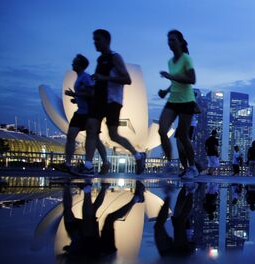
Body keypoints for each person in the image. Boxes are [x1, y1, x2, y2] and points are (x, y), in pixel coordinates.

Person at [79, 29, 146, 176]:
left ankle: (138, 156)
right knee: (91, 129)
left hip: (112, 101)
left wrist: (104, 78)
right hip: (98, 100)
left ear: (107, 41)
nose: (95, 42)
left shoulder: (115, 58)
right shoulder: (99, 60)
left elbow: (127, 79)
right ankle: (88, 166)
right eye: (94, 39)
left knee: (113, 135)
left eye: (98, 39)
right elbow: (100, 81)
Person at [59, 54, 110, 175]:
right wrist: (76, 100)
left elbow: (92, 94)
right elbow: (86, 95)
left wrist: (75, 95)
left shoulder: (86, 78)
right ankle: (68, 163)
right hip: (80, 112)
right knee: (71, 135)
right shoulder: (79, 78)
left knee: (95, 140)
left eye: (75, 62)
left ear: (80, 65)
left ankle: (101, 163)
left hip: (90, 113)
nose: (72, 64)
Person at [157, 30, 198, 180]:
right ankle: (169, 163)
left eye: (173, 40)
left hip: (186, 100)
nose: (170, 42)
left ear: (180, 42)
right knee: (161, 130)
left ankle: (192, 167)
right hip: (173, 99)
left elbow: (192, 79)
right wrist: (165, 91)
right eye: (168, 40)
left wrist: (170, 76)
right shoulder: (170, 62)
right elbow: (174, 80)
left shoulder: (186, 59)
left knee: (182, 136)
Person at [154, 183, 195, 257]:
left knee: (159, 226)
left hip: (170, 255)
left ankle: (169, 195)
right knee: (179, 221)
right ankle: (190, 192)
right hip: (179, 255)